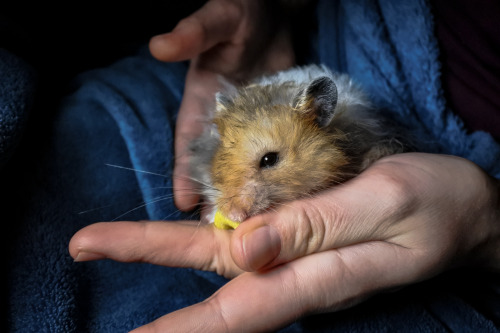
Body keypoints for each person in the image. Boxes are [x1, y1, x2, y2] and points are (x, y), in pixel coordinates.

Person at [4, 0, 499, 332]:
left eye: (269, 162)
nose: (241, 197)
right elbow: (224, 167)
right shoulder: (236, 138)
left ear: (319, 117)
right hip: (330, 34)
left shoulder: (347, 134)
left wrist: (489, 225)